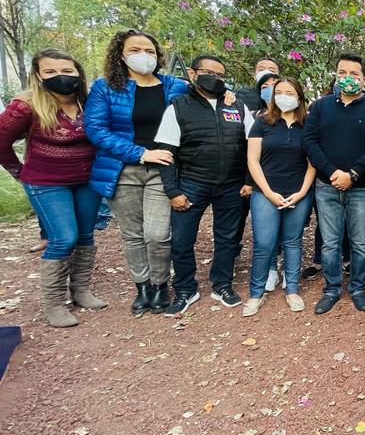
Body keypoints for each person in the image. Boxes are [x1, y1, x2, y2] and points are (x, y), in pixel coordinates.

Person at [84, 29, 188, 315]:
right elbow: (95, 129)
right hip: (122, 170)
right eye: (135, 50)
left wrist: (227, 92)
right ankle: (142, 286)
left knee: (157, 233)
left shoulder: (174, 86)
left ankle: (160, 283)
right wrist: (140, 153)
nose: (144, 56)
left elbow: (202, 101)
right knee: (132, 234)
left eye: (150, 51)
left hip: (162, 170)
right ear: (121, 54)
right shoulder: (105, 87)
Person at [0, 49, 106, 327]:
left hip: (87, 180)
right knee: (64, 237)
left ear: (78, 74)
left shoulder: (89, 102)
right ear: (38, 75)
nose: (61, 76)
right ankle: (55, 303)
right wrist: (21, 174)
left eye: (68, 71)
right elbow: (1, 143)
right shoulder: (27, 106)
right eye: (51, 71)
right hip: (46, 183)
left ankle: (81, 290)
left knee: (85, 235)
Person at [155, 55, 250, 317]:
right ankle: (185, 289)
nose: (215, 79)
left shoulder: (237, 107)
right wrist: (172, 191)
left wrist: (247, 181)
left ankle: (222, 285)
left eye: (220, 75)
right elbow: (166, 153)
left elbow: (252, 147)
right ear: (194, 74)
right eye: (209, 73)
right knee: (183, 239)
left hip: (231, 185)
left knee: (227, 238)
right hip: (192, 184)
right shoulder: (178, 106)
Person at [303, 53, 365, 314]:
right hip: (326, 187)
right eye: (343, 72)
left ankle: (357, 287)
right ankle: (332, 289)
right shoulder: (321, 106)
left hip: (362, 188)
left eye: (354, 74)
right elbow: (310, 141)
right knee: (331, 242)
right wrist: (333, 171)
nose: (348, 78)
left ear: (364, 79)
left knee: (358, 242)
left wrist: (353, 174)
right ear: (335, 75)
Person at [242, 77, 315, 315]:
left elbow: (312, 163)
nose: (284, 96)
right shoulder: (262, 122)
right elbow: (252, 160)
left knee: (292, 241)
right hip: (266, 192)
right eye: (279, 92)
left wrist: (302, 192)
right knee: (264, 244)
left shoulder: (307, 124)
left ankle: (292, 290)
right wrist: (268, 192)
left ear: (299, 97)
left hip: (298, 192)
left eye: (289, 92)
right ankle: (255, 294)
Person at [237, 59, 283, 290]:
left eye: (276, 82)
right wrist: (249, 181)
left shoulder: (297, 118)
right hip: (260, 183)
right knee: (263, 232)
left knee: (287, 234)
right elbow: (249, 154)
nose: (272, 89)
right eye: (266, 84)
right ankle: (269, 270)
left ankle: (286, 271)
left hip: (289, 182)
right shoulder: (252, 114)